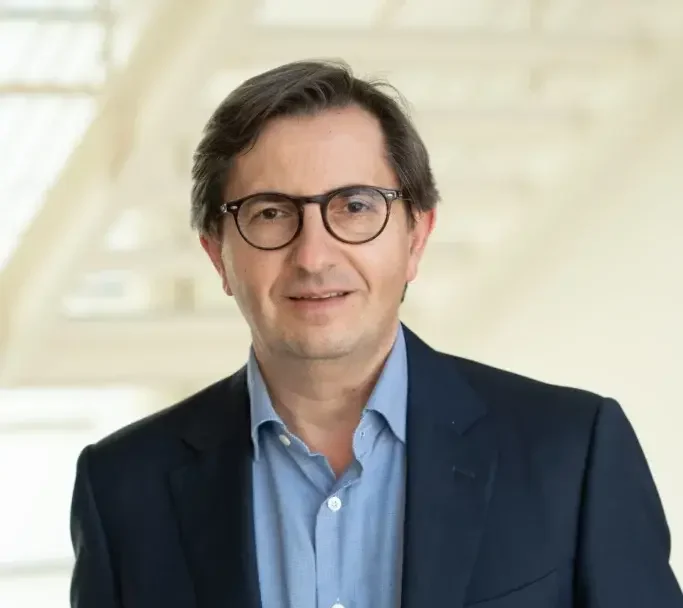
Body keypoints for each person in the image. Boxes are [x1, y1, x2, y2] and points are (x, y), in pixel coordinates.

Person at [69, 60, 683, 608]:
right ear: (217, 255)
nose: (314, 256)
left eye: (356, 206)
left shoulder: (572, 453)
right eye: (271, 213)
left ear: (416, 237)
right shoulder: (123, 489)